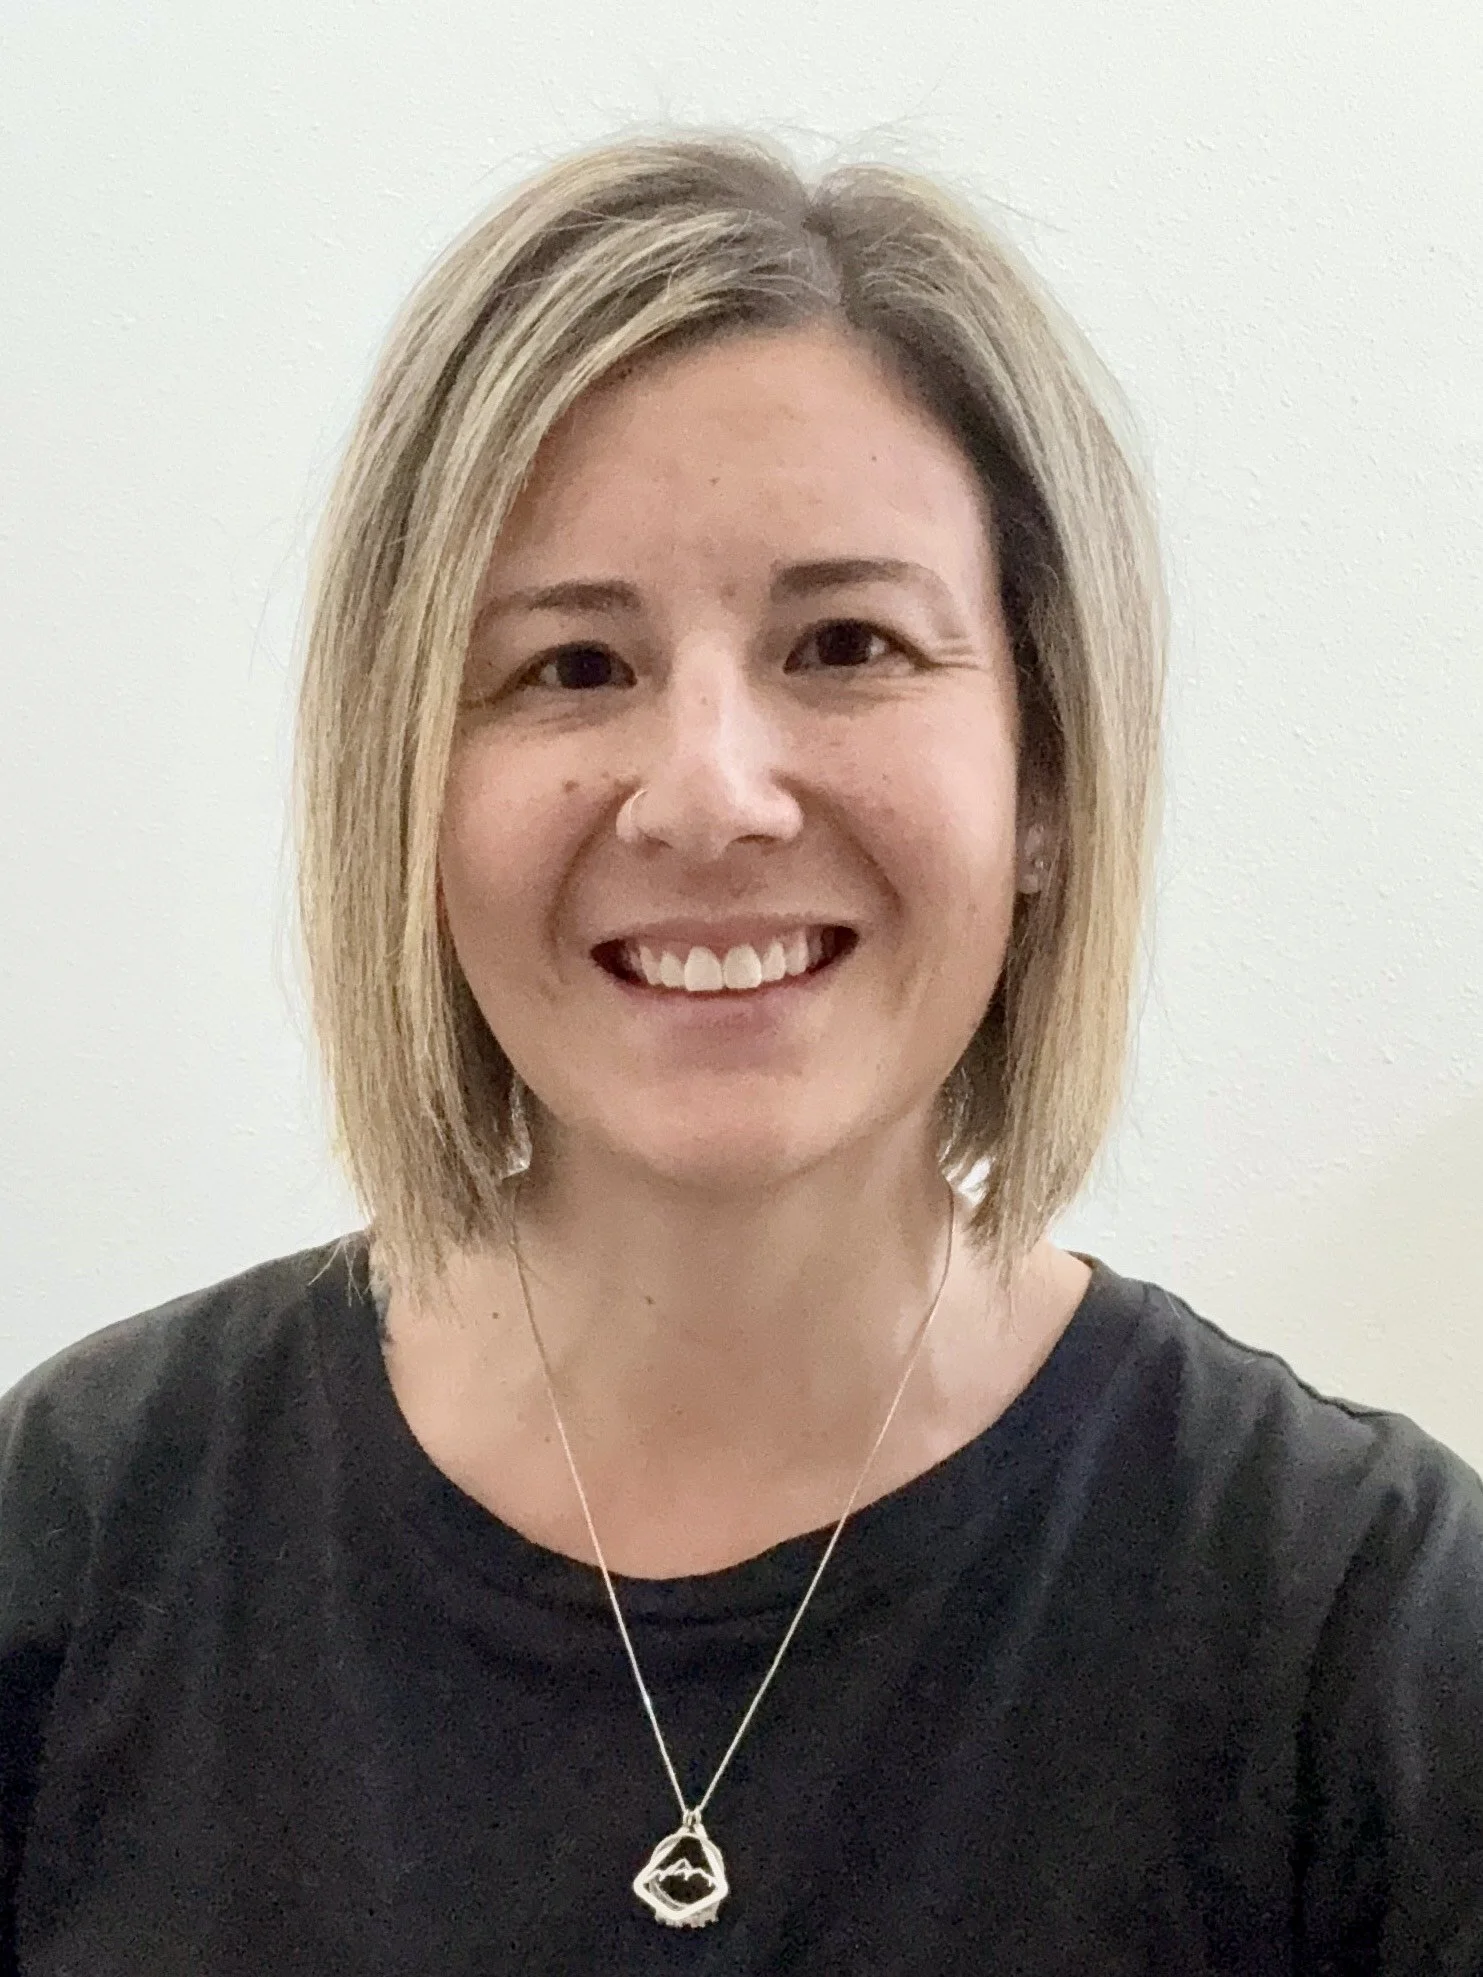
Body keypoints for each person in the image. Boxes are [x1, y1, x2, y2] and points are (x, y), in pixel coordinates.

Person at [2, 130, 1479, 1974]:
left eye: (846, 641)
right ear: (406, 789)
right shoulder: (77, 1535)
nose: (707, 791)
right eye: (569, 667)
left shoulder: (1362, 1629)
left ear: (1042, 778)